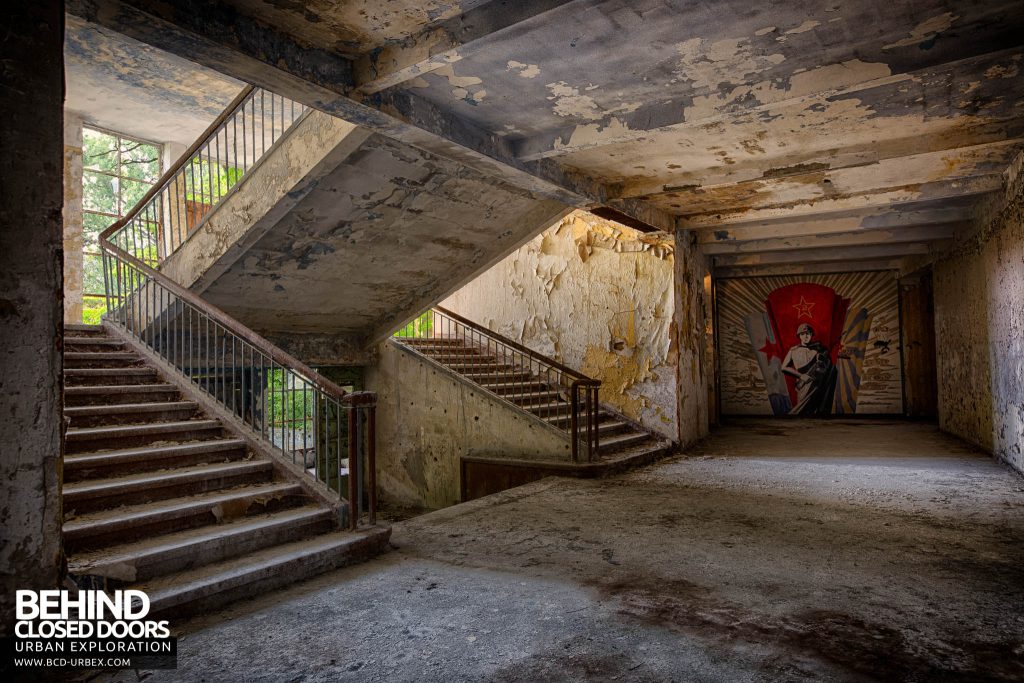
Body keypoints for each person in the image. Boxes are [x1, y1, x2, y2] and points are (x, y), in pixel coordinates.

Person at [780, 323, 838, 415]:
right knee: (802, 409)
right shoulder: (793, 350)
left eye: (808, 333)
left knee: (815, 412)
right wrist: (801, 376)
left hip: (817, 385)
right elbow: (784, 367)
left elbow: (828, 367)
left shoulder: (819, 349)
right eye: (802, 334)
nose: (806, 336)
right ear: (799, 336)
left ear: (811, 335)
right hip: (803, 385)